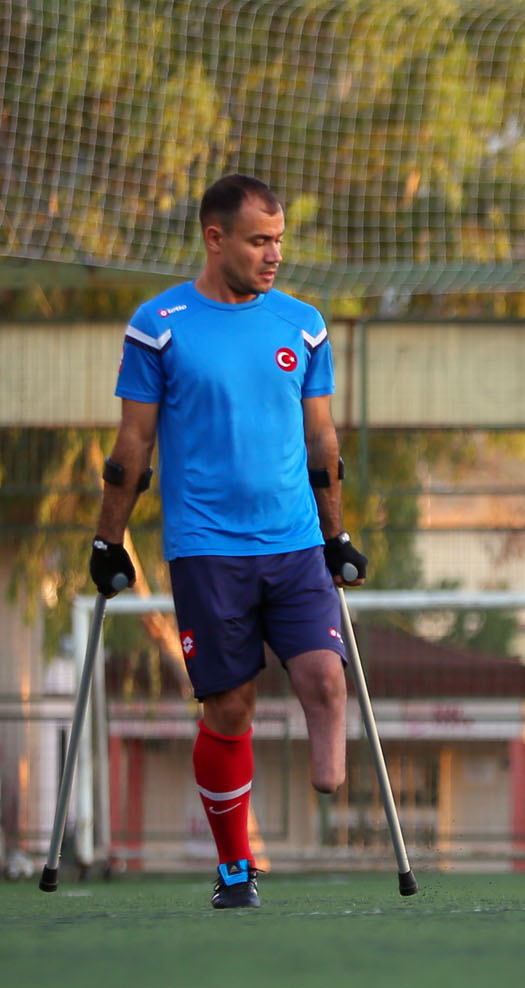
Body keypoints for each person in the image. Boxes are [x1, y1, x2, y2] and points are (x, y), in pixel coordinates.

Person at [88, 174, 369, 909]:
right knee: (231, 707)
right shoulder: (159, 325)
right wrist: (108, 541)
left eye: (279, 240)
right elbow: (133, 444)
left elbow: (322, 439)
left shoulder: (303, 324)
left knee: (325, 678)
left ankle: (328, 771)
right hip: (207, 549)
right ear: (215, 239)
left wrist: (336, 534)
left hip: (295, 543)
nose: (274, 255)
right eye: (259, 241)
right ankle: (235, 868)